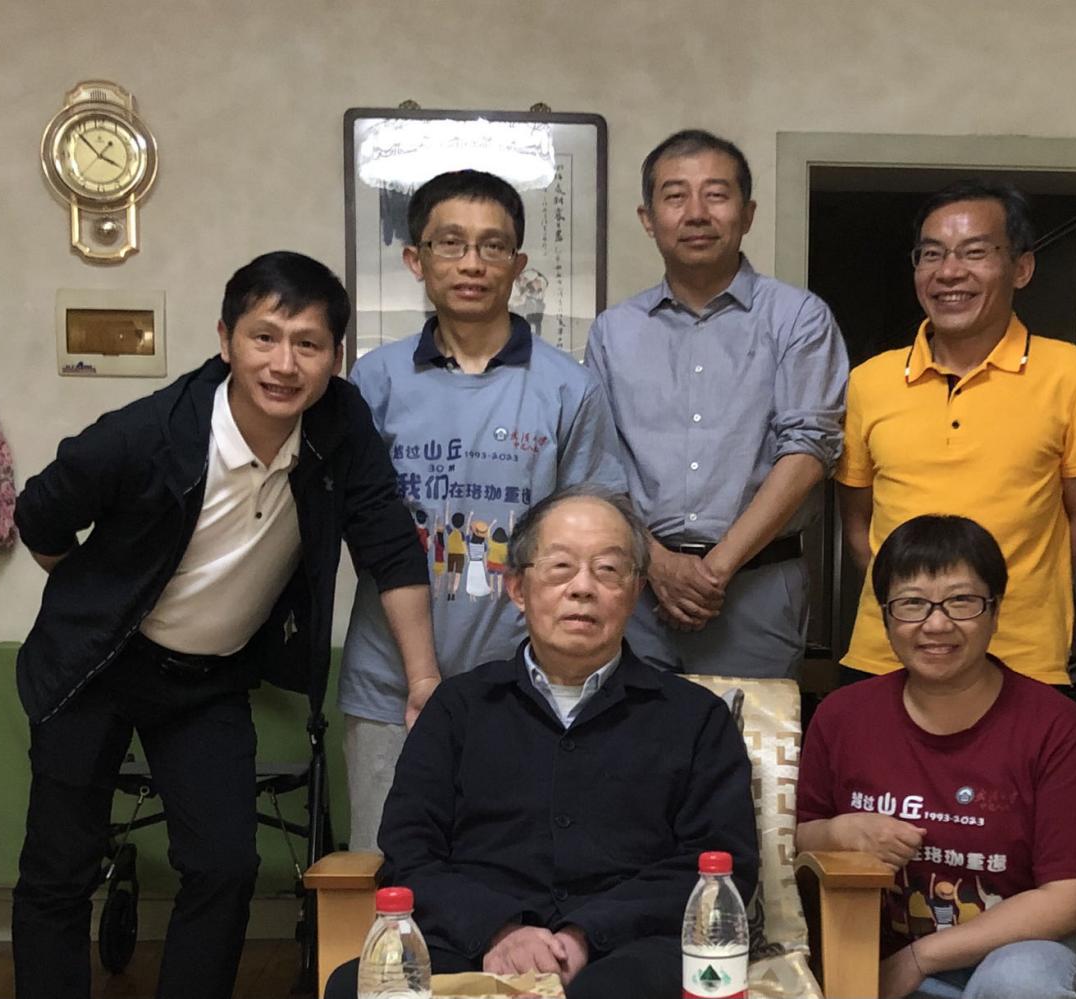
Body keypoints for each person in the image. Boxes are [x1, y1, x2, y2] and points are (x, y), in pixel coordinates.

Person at [10, 251, 435, 999]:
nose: (284, 363)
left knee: (226, 865)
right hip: (95, 668)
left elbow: (389, 546)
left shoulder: (339, 424)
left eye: (307, 343)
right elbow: (39, 513)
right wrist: (97, 597)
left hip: (207, 680)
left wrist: (424, 676)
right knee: (61, 867)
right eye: (264, 337)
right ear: (225, 340)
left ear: (336, 357)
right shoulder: (147, 433)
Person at [322, 484, 759, 999]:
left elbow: (720, 864)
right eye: (560, 567)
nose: (583, 588)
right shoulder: (457, 709)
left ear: (635, 591)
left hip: (632, 948)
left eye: (608, 569)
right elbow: (410, 853)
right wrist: (500, 931)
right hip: (473, 940)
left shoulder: (695, 718)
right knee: (355, 986)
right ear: (517, 588)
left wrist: (586, 934)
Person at [339, 169, 624, 851]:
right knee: (387, 874)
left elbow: (591, 537)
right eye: (451, 243)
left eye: (493, 246)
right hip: (387, 685)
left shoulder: (568, 388)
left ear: (517, 266)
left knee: (515, 875)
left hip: (526, 687)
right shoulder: (373, 382)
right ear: (416, 260)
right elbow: (357, 525)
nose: (472, 263)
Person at [796, 515, 1076, 999]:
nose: (937, 624)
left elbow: (1074, 898)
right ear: (885, 616)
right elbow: (787, 843)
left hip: (1037, 951)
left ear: (995, 611)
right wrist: (839, 832)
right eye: (912, 603)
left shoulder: (1055, 725)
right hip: (875, 956)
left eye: (961, 601)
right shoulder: (842, 715)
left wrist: (920, 958)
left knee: (1017, 982)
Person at [837, 181, 1076, 687]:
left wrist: (1004, 597)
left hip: (1021, 658)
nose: (949, 272)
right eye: (932, 254)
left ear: (1021, 268)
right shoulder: (869, 381)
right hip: (886, 656)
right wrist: (913, 605)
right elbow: (858, 524)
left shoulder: (1074, 376)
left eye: (975, 252)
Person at [585, 128, 848, 679]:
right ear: (648, 218)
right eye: (675, 196)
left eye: (717, 194)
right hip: (636, 587)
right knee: (628, 730)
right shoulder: (614, 331)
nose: (697, 213)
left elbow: (809, 451)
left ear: (747, 214)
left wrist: (714, 570)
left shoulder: (798, 318)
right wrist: (657, 563)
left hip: (758, 586)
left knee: (749, 734)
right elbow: (600, 465)